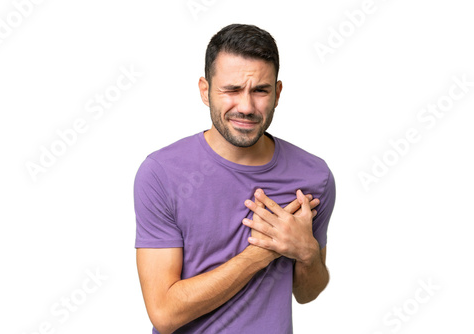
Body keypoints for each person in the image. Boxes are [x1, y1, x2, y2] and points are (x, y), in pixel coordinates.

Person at [134, 23, 336, 334]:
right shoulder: (162, 173)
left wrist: (306, 252)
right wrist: (262, 252)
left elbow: (306, 293)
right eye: (231, 90)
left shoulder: (314, 176)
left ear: (277, 93)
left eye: (260, 90)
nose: (246, 106)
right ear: (205, 90)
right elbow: (164, 314)